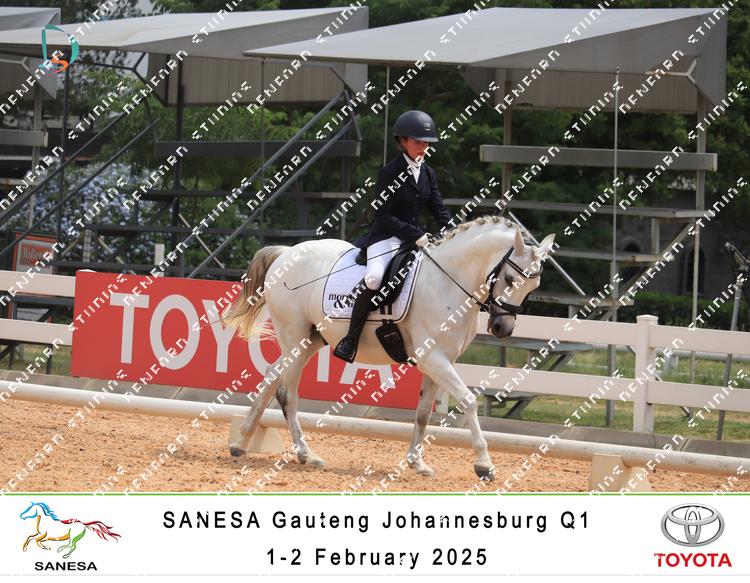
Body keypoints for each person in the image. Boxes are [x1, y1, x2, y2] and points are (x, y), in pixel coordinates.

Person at [333, 110, 453, 363]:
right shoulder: (389, 172)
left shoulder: (428, 173)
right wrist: (415, 233)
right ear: (403, 141)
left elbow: (439, 209)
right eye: (418, 142)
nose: (424, 148)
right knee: (374, 278)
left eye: (427, 143)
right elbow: (383, 215)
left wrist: (454, 231)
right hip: (386, 238)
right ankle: (350, 339)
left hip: (414, 240)